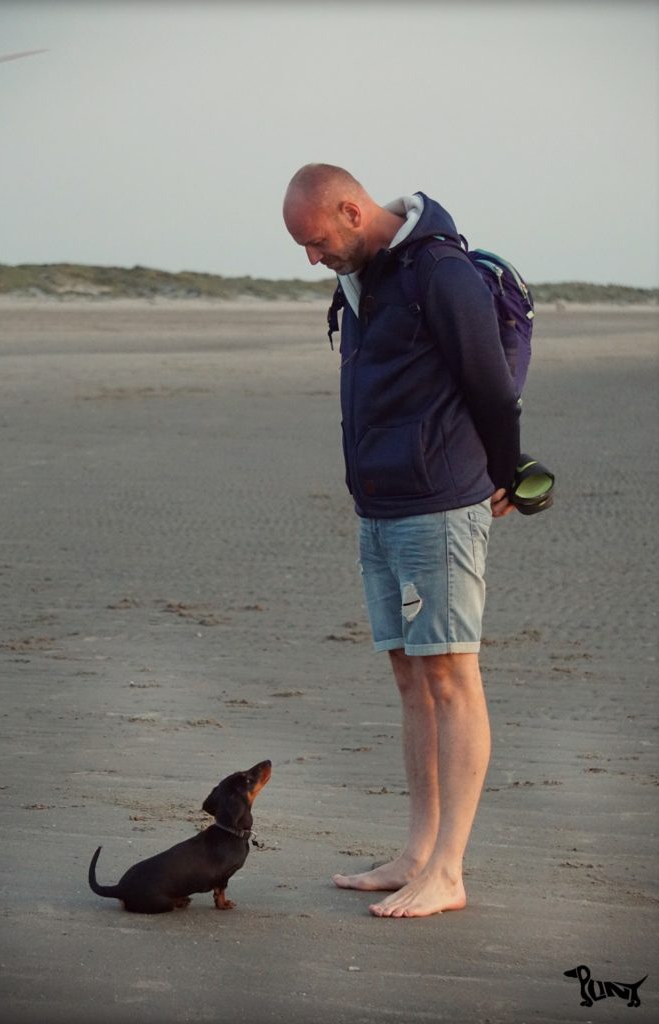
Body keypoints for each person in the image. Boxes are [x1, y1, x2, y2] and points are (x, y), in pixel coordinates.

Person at [282, 164, 519, 919]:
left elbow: (489, 383)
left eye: (317, 243)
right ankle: (417, 852)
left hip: (438, 506)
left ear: (352, 211)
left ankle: (449, 870)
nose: (314, 260)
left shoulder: (440, 273)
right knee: (411, 679)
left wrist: (510, 469)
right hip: (379, 508)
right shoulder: (364, 280)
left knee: (452, 679)